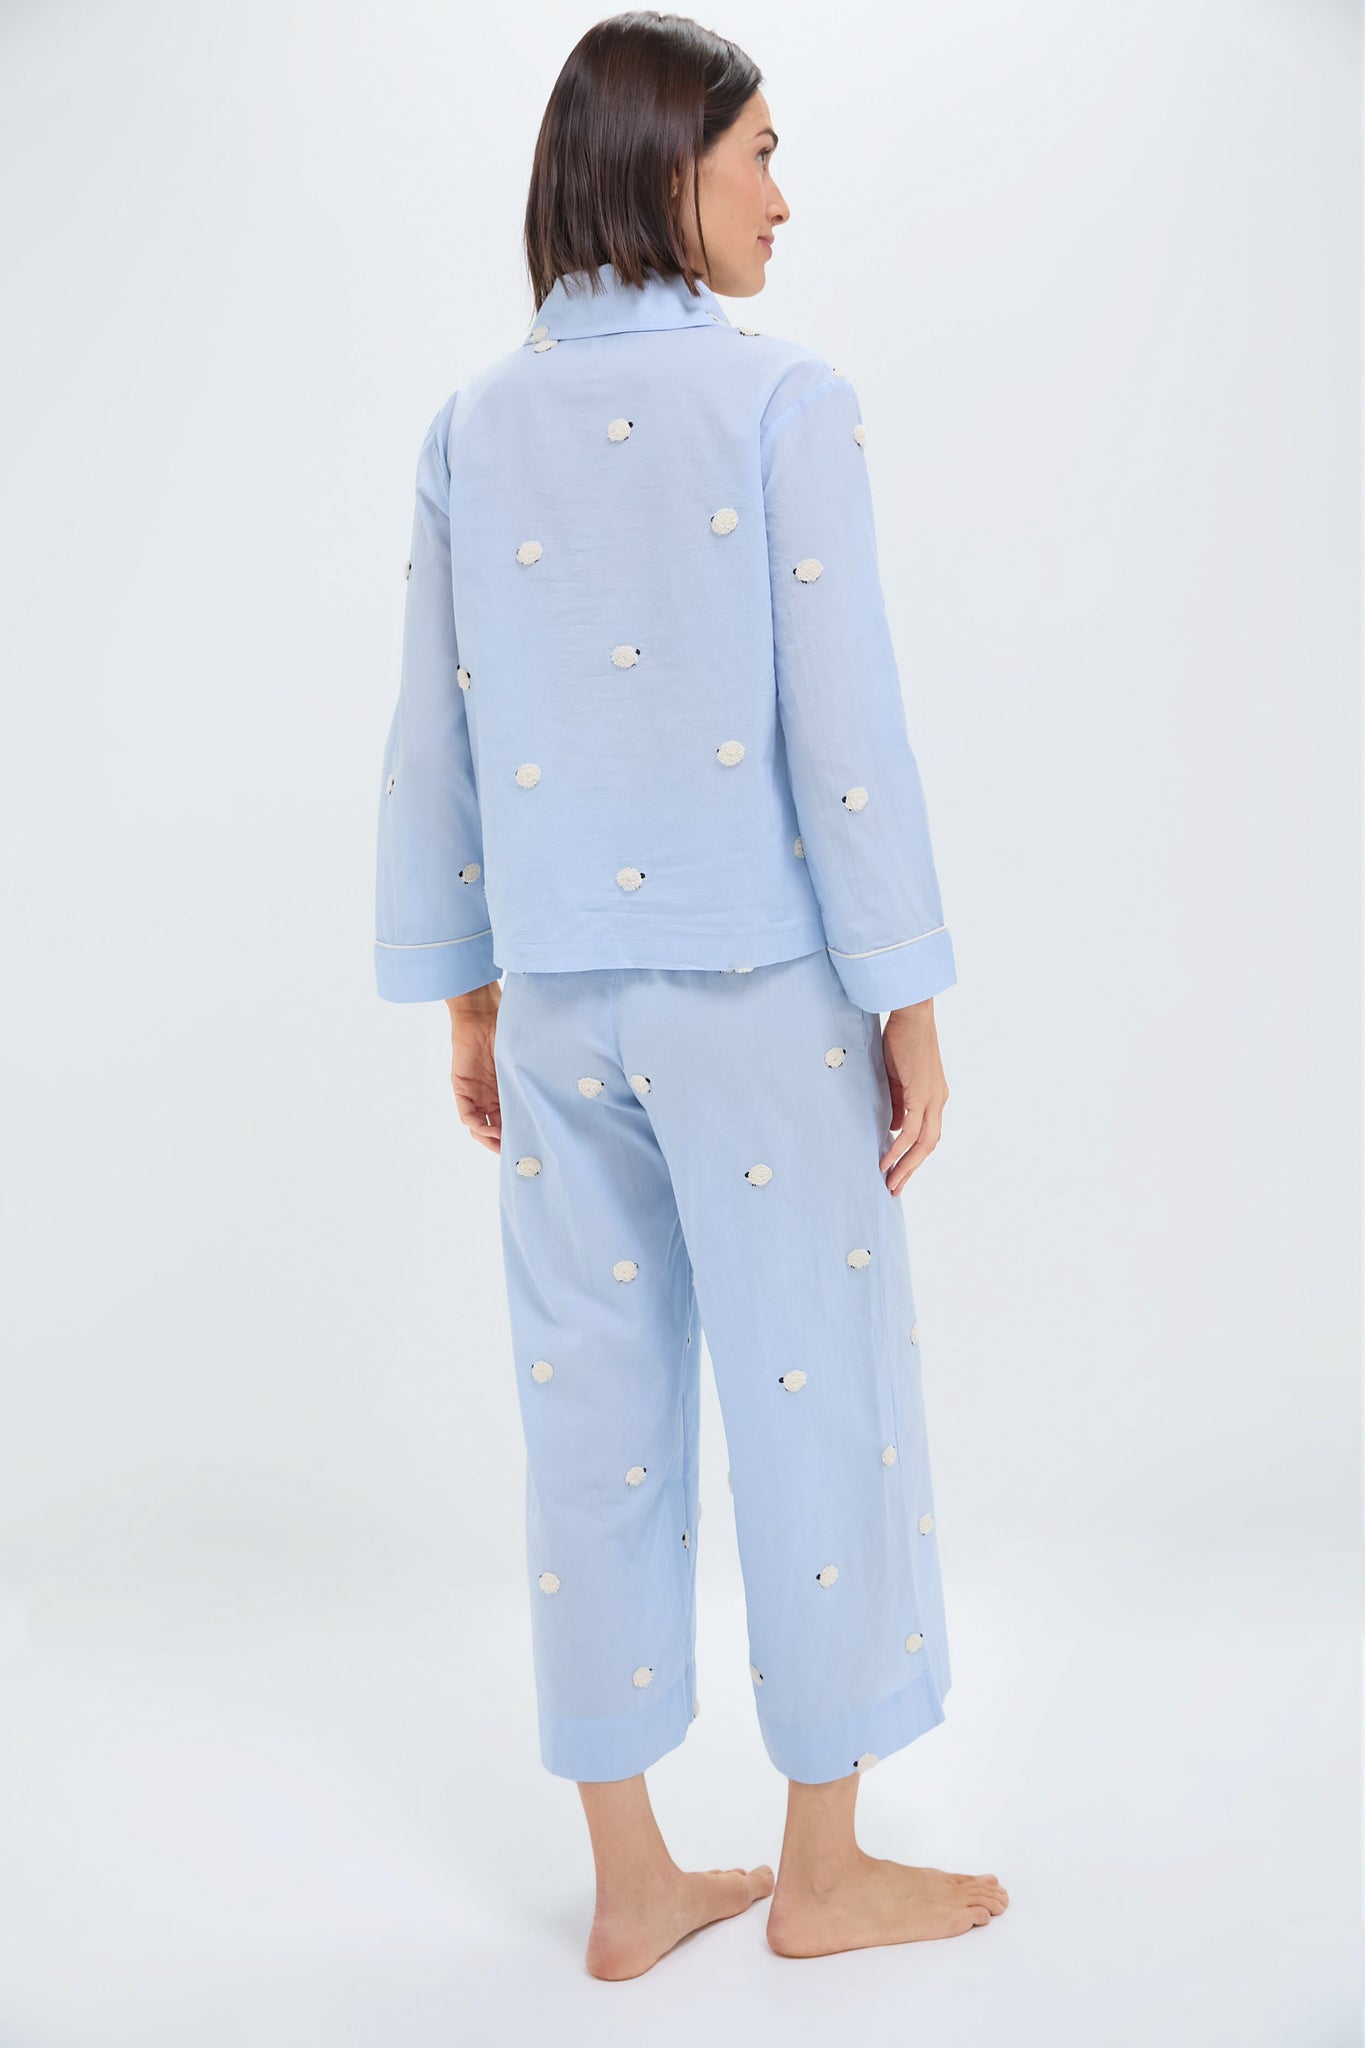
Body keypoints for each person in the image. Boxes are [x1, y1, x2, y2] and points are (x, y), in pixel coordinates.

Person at [373, 9, 1008, 1980]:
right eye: (760, 158)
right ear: (671, 168)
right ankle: (821, 1870)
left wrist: (466, 995)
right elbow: (845, 726)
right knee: (815, 1397)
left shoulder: (473, 424)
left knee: (590, 1413)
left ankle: (632, 1882)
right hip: (758, 999)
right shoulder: (780, 401)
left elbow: (435, 733)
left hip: (560, 1003)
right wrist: (906, 995)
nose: (782, 199)